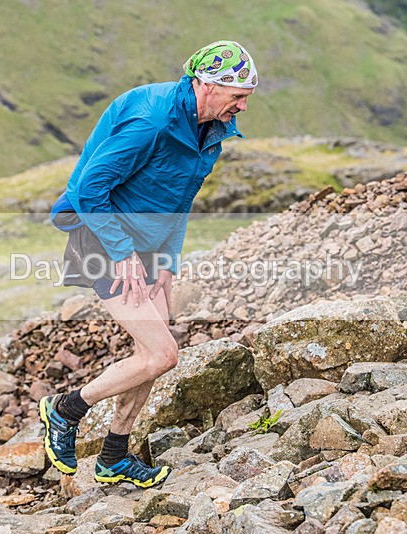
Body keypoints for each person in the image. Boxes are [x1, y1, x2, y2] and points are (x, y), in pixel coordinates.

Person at [43, 41, 257, 488]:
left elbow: (180, 200)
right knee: (163, 353)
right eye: (236, 95)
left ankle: (113, 457)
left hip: (147, 246)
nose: (242, 106)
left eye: (246, 97)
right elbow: (88, 189)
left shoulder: (212, 130)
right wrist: (122, 255)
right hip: (102, 237)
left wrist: (167, 258)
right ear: (206, 85)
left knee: (153, 358)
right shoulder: (153, 122)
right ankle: (65, 410)